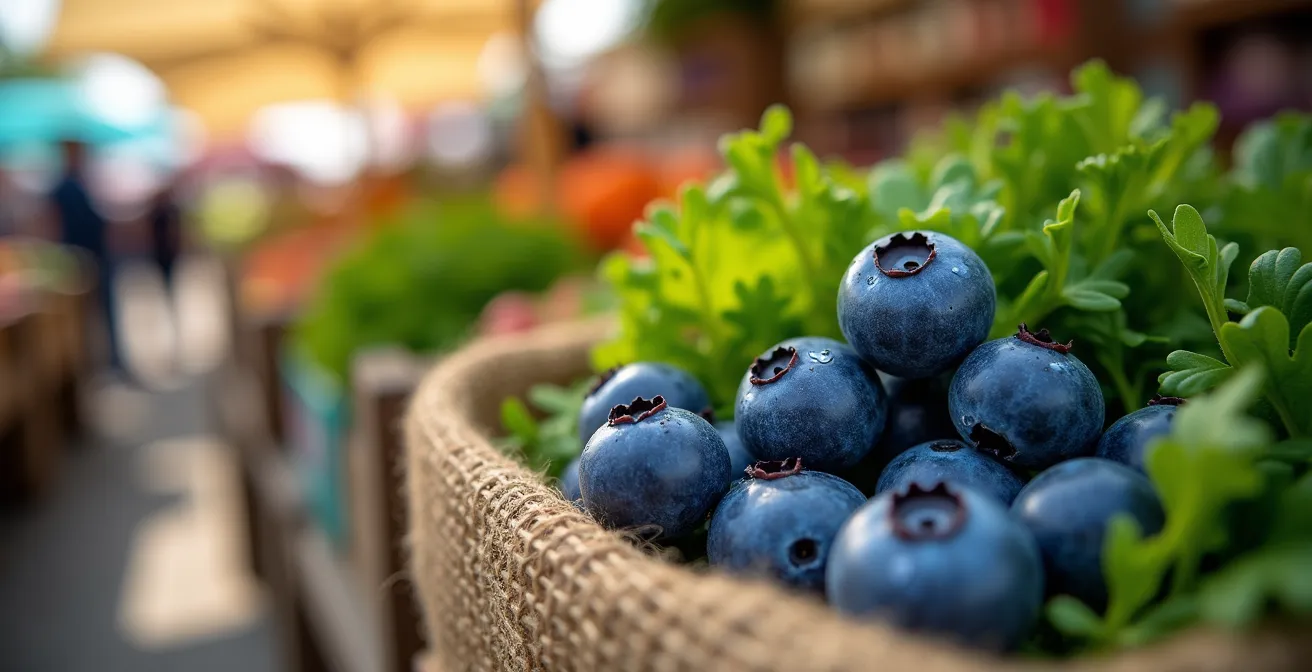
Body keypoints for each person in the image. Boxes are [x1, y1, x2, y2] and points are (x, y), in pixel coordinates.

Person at [48, 139, 124, 375]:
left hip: (91, 257)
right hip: (83, 260)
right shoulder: (67, 186)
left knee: (100, 313)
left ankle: (108, 362)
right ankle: (102, 364)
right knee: (88, 315)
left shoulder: (81, 183)